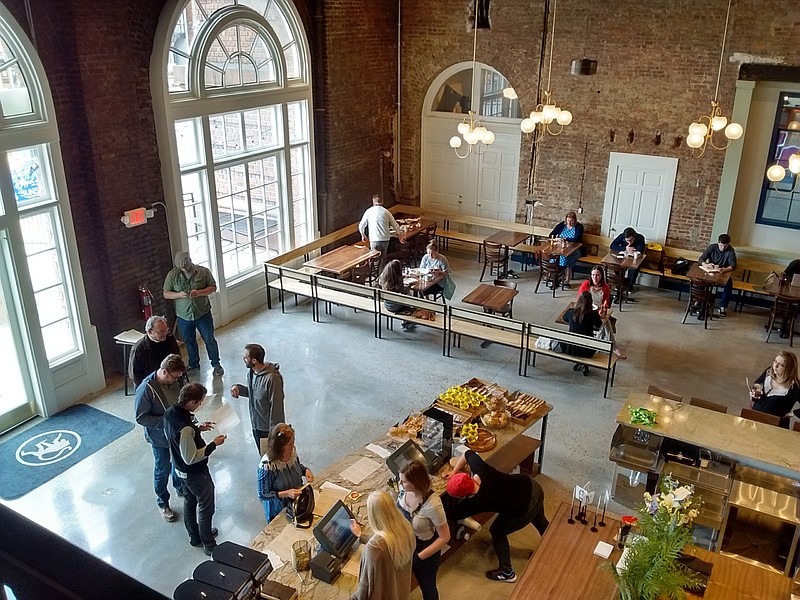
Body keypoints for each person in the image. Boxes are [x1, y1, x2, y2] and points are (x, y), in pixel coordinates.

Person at [444, 450, 548, 583]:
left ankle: (507, 572)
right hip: (532, 486)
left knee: (497, 531)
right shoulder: (480, 470)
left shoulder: (475, 503)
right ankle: (552, 547)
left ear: (462, 496)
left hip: (522, 509)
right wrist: (454, 472)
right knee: (539, 517)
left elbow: (452, 515)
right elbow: (468, 453)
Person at [163, 382, 225, 556]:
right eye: (199, 403)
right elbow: (190, 457)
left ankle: (194, 536)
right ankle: (209, 544)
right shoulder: (186, 429)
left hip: (179, 471)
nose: (200, 406)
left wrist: (198, 429)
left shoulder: (170, 413)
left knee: (190, 502)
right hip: (194, 474)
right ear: (190, 402)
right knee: (206, 507)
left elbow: (177, 439)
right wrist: (214, 444)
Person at [134, 353, 187, 522]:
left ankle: (179, 487)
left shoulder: (174, 380)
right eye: (174, 377)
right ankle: (163, 503)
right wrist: (166, 421)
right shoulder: (146, 389)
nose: (176, 380)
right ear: (164, 372)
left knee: (178, 462)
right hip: (160, 438)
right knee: (162, 469)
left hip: (176, 433)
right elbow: (141, 417)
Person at [163, 251, 224, 376]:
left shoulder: (203, 272)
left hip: (202, 314)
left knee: (209, 339)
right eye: (181, 267)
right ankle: (194, 364)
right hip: (184, 316)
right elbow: (166, 293)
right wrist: (178, 295)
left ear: (190, 260)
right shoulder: (172, 275)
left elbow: (213, 287)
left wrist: (199, 292)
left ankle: (216, 364)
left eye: (186, 265)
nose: (184, 268)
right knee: (189, 341)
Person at [397, 460, 450, 600]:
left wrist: (419, 557)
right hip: (407, 543)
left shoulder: (433, 505)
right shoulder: (404, 490)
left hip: (424, 551)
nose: (400, 484)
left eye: (404, 481)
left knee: (427, 587)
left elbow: (444, 537)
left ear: (415, 482)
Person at [348, 490, 415, 600]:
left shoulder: (374, 548)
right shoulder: (406, 528)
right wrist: (360, 535)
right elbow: (389, 540)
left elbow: (364, 590)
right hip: (401, 592)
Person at [230, 343, 285, 452]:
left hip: (268, 429)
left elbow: (276, 406)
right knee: (264, 457)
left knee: (273, 458)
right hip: (256, 426)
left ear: (254, 360)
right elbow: (254, 393)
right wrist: (238, 388)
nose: (243, 359)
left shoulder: (273, 379)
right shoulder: (251, 373)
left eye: (246, 357)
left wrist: (275, 432)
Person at [257, 423, 314, 523]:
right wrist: (286, 493)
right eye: (290, 443)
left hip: (296, 502)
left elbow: (297, 465)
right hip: (279, 509)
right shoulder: (267, 465)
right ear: (280, 446)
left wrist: (305, 471)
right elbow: (263, 494)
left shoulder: (292, 452)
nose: (293, 445)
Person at [577, 268, 627, 360]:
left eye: (597, 275)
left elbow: (606, 303)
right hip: (586, 309)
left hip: (598, 310)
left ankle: (609, 345)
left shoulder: (605, 287)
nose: (595, 278)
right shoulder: (586, 284)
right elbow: (580, 299)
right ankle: (610, 346)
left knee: (605, 321)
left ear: (601, 276)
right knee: (604, 323)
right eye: (593, 275)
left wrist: (601, 309)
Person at [750, 351, 800, 428]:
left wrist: (792, 414)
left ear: (789, 369)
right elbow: (758, 383)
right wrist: (755, 392)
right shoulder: (768, 372)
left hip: (775, 427)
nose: (775, 366)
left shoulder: (794, 387)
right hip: (755, 419)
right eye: (775, 361)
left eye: (781, 365)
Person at [129, 315, 181, 389]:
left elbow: (177, 358)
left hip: (170, 380)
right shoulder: (139, 349)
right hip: (150, 384)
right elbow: (135, 374)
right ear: (150, 332)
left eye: (166, 330)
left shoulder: (170, 339)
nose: (165, 334)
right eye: (161, 332)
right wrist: (146, 389)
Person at [561, 291, 605, 374]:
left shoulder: (571, 312)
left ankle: (580, 363)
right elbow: (599, 325)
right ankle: (584, 365)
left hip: (570, 348)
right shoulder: (593, 314)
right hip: (587, 351)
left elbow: (564, 318)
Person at [359, 195, 404, 274]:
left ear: (373, 202)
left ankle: (375, 278)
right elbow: (395, 225)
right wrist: (400, 236)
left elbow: (361, 225)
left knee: (375, 260)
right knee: (383, 259)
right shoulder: (386, 212)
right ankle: (382, 277)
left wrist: (363, 234)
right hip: (385, 239)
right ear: (382, 202)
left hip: (374, 239)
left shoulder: (369, 211)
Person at [698, 233, 737, 318]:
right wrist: (706, 264)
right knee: (700, 280)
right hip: (711, 270)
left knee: (729, 285)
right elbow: (701, 259)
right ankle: (699, 301)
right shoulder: (712, 247)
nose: (723, 248)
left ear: (728, 244)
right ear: (718, 243)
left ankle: (723, 306)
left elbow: (733, 265)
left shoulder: (730, 251)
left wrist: (724, 269)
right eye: (721, 245)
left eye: (725, 246)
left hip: (723, 272)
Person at [548, 211, 584, 288]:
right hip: (560, 248)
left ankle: (567, 279)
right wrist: (556, 238)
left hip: (575, 249)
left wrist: (564, 238)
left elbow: (576, 239)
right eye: (568, 221)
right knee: (555, 256)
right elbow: (551, 234)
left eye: (571, 221)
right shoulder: (562, 225)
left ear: (575, 220)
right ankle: (553, 276)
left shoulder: (579, 227)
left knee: (567, 257)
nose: (569, 223)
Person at [379, 259, 416, 331]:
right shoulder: (399, 279)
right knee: (409, 299)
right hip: (396, 306)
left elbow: (380, 283)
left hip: (386, 304)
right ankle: (406, 321)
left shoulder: (383, 276)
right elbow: (403, 291)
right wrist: (409, 285)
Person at [609, 226, 646, 299]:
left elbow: (640, 250)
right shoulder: (621, 236)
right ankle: (620, 282)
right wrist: (625, 248)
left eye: (631, 240)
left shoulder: (640, 238)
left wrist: (633, 251)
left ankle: (630, 284)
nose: (629, 242)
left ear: (634, 237)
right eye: (627, 240)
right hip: (623, 256)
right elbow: (612, 245)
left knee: (633, 268)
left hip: (634, 258)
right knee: (615, 264)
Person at [779, 259, 800, 338]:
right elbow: (785, 275)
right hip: (791, 290)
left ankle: (791, 323)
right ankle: (784, 329)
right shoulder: (796, 263)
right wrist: (791, 280)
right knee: (789, 304)